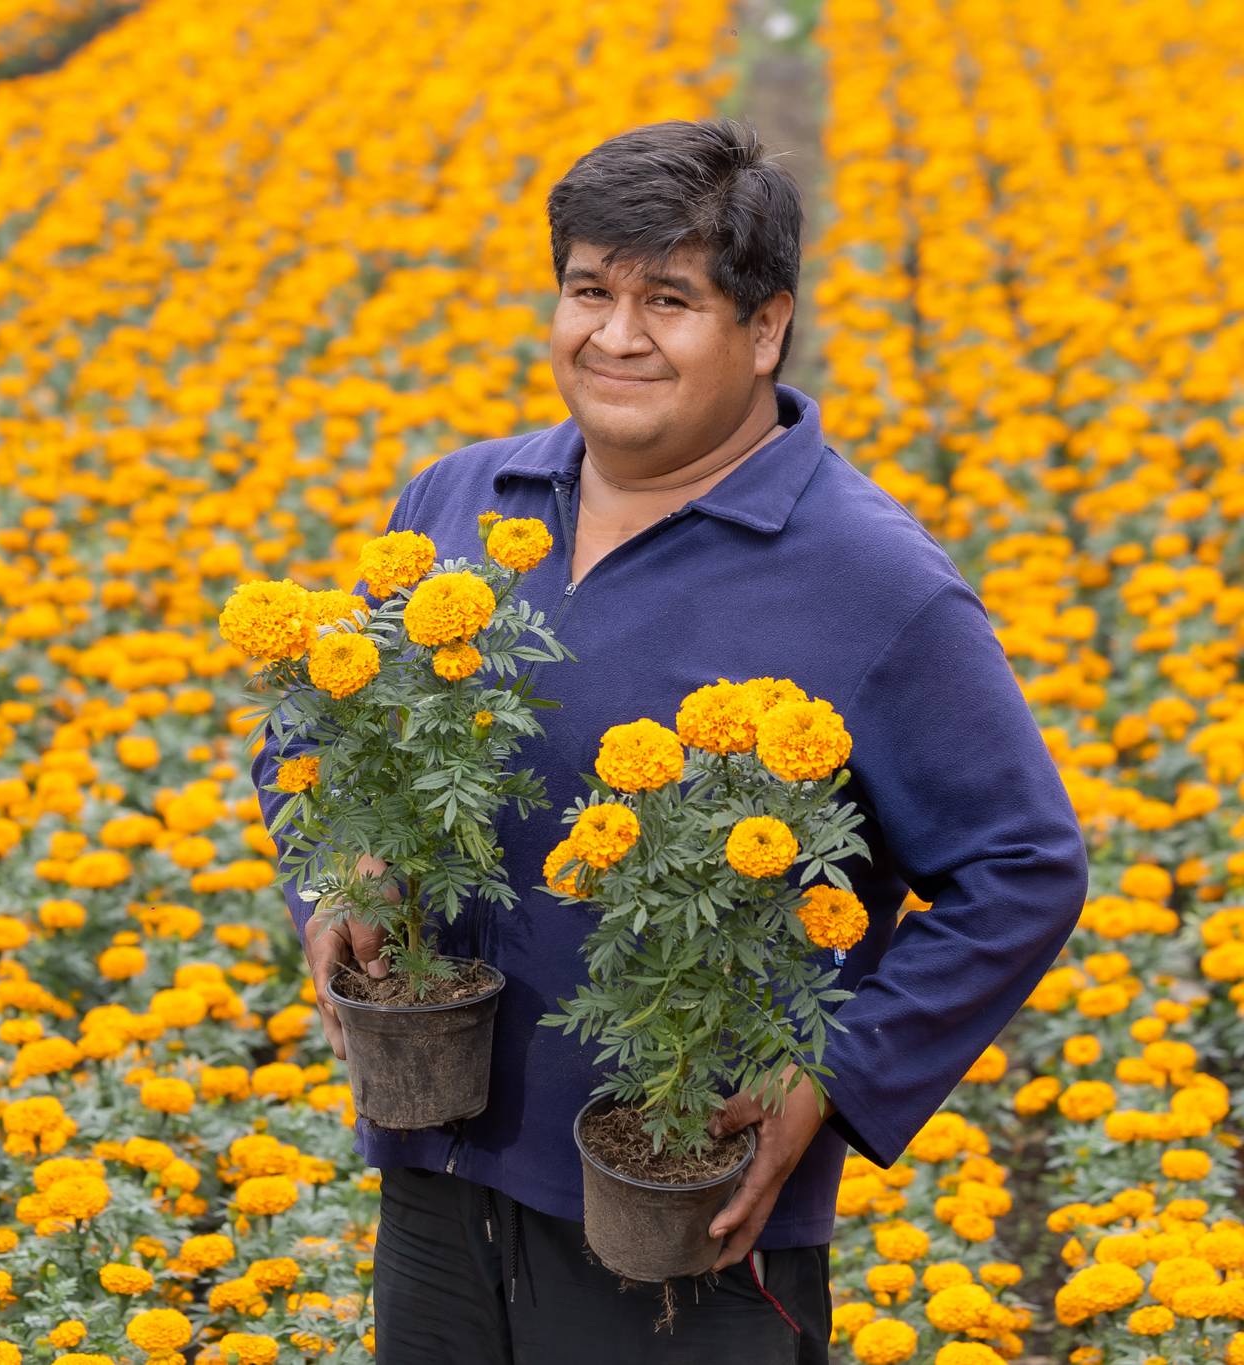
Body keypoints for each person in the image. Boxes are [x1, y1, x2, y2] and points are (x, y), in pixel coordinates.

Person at [249, 118, 1088, 1363]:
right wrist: (339, 867)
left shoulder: (868, 581)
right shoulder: (460, 501)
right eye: (587, 290)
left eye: (668, 299)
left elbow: (1020, 866)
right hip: (435, 1176)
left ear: (763, 329)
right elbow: (317, 723)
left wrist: (832, 1077)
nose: (615, 334)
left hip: (683, 1211)